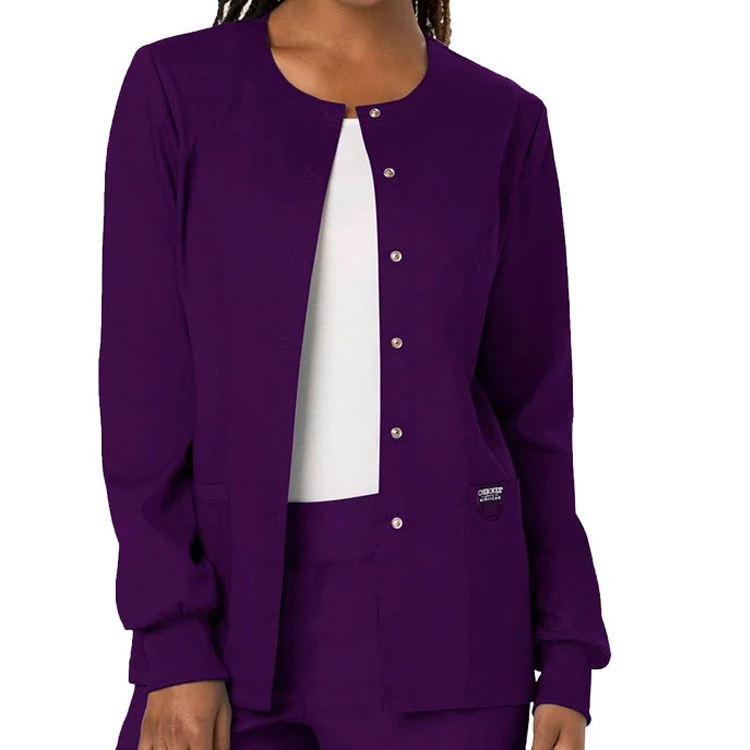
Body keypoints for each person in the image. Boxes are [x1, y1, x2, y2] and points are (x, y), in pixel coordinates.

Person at [99, 1, 610, 748]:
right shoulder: (177, 88)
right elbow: (142, 390)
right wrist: (173, 640)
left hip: (458, 640)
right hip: (228, 629)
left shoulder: (503, 120)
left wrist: (567, 655)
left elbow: (534, 414)